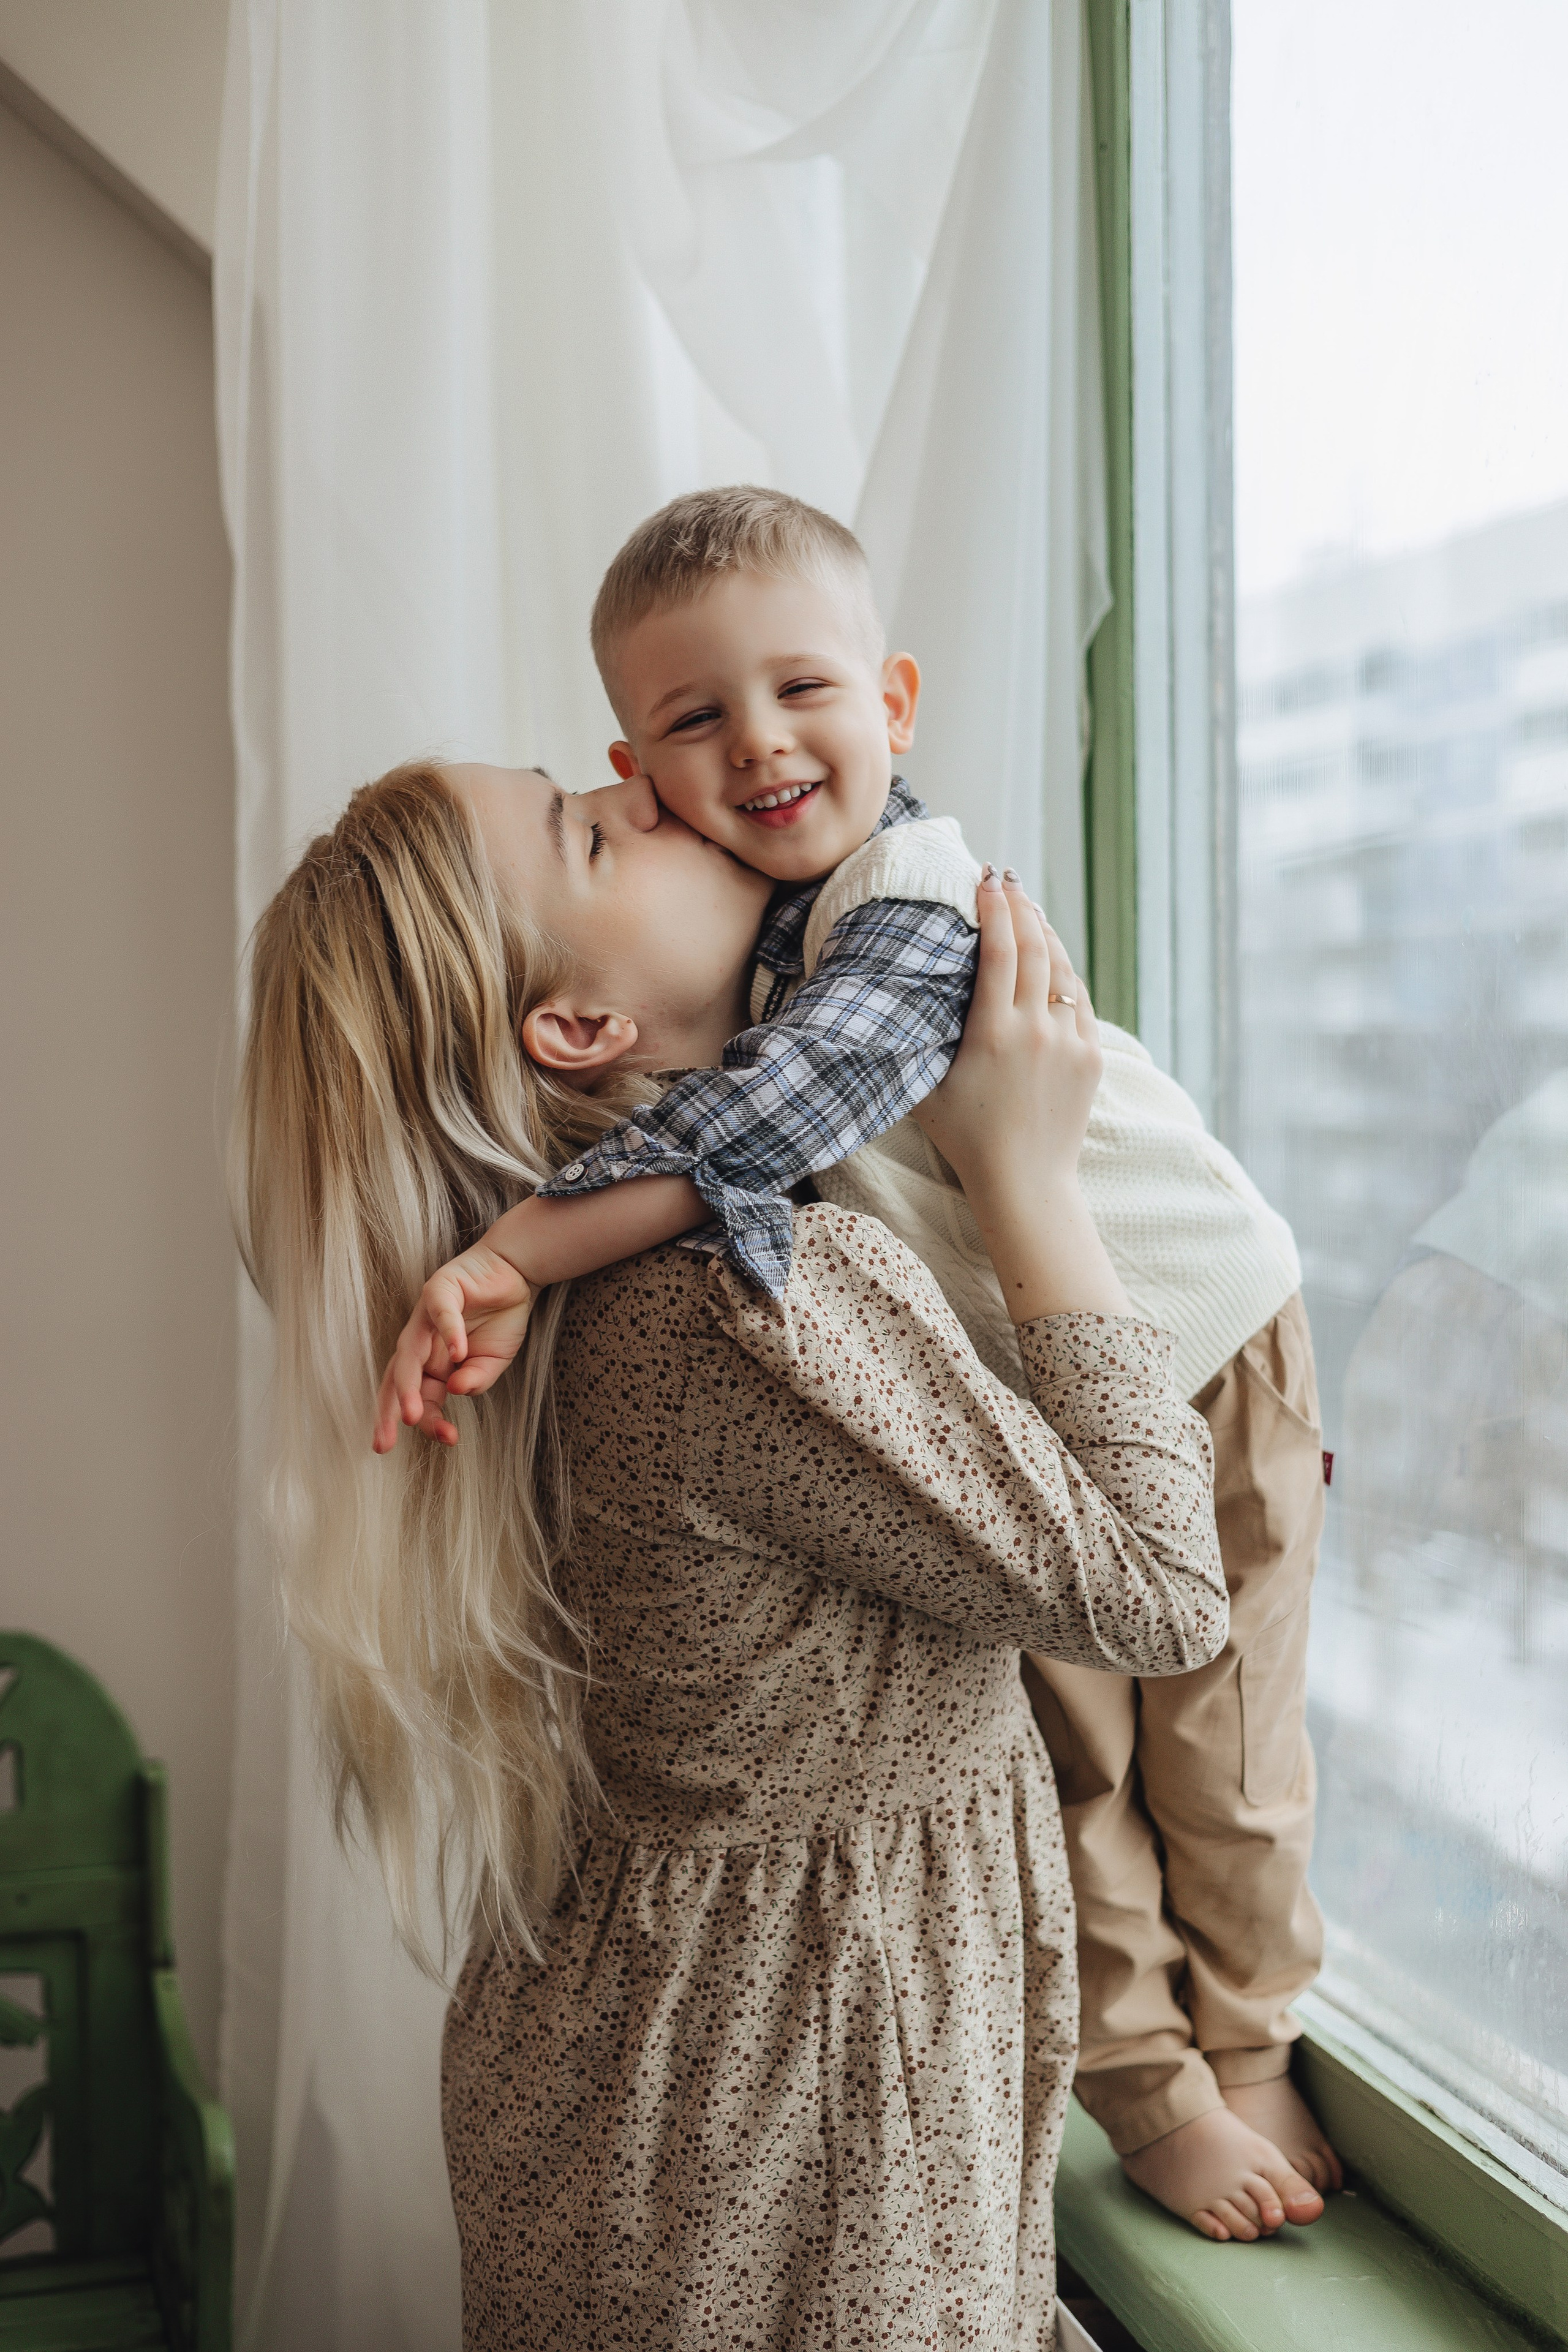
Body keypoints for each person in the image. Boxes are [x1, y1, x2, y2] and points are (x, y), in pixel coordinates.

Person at [381, 487, 1340, 2241]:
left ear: (893, 704)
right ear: (640, 759)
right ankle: (1151, 2087)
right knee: (1079, 1773)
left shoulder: (902, 896)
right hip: (1037, 1395)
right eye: (679, 735)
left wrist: (522, 1243)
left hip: (1202, 1338)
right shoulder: (732, 977)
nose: (754, 746)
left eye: (802, 691)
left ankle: (1258, 2043)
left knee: (1228, 1755)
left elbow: (798, 1105)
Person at [235, 755, 1227, 2346]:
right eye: (588, 828)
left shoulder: (558, 1299)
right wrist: (1026, 1170)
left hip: (645, 2085)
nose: (654, 798)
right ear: (578, 1029)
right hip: (792, 2110)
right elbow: (1164, 1589)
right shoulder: (736, 1305)